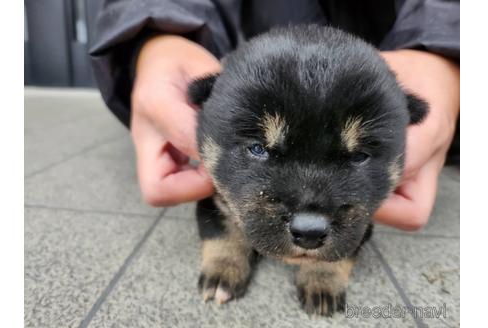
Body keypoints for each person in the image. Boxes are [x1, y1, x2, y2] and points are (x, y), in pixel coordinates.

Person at [89, 0, 460, 231]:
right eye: (258, 149)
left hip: (386, 46)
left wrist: (447, 52)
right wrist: (157, 35)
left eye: (359, 155)